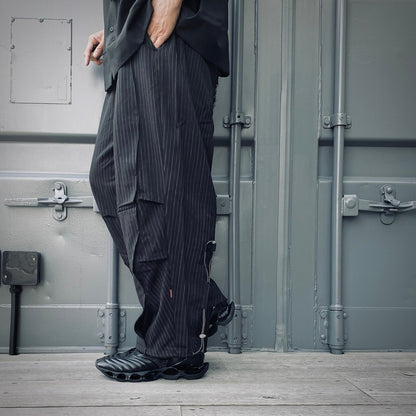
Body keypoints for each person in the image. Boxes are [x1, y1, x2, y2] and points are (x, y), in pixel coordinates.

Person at [84, 0, 234, 382]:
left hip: (167, 34)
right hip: (133, 37)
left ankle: (172, 344)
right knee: (108, 177)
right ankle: (197, 300)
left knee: (160, 188)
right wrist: (118, 26)